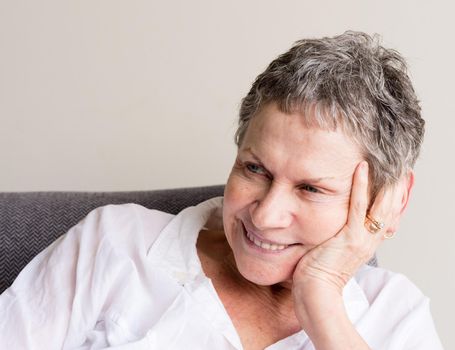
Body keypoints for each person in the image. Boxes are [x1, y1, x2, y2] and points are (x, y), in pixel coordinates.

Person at [0, 31, 443, 349]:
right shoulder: (115, 244)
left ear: (392, 200)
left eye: (310, 188)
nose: (266, 215)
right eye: (254, 168)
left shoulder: (395, 316)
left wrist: (323, 301)